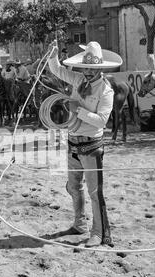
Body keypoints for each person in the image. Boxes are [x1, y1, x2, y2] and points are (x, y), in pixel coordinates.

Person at [47, 40, 122, 247]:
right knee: (73, 186)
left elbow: (101, 121)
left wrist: (77, 108)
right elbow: (57, 70)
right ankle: (79, 223)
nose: (88, 72)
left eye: (92, 68)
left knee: (94, 191)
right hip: (73, 142)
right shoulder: (78, 79)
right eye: (85, 67)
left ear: (99, 68)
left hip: (91, 145)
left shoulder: (106, 91)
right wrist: (53, 55)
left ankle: (98, 232)